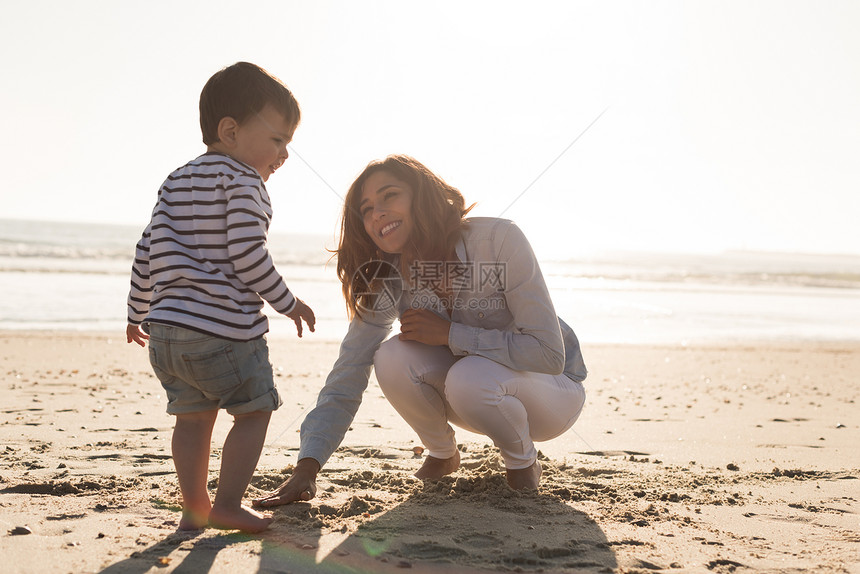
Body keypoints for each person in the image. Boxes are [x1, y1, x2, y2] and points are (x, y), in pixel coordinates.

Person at [255, 154, 586, 508]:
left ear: (421, 197)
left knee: (468, 375)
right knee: (391, 356)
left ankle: (522, 464)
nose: (377, 213)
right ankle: (443, 453)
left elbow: (549, 355)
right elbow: (348, 372)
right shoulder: (386, 276)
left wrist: (450, 334)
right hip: (476, 397)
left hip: (553, 394)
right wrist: (308, 467)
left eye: (389, 195)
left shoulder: (498, 239)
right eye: (366, 210)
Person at [125, 62, 315, 533]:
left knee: (191, 421)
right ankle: (228, 503)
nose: (284, 154)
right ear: (230, 131)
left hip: (166, 333)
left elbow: (146, 249)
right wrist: (288, 303)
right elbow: (248, 256)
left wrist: (137, 312)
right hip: (224, 331)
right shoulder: (245, 182)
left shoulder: (175, 180)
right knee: (254, 411)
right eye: (277, 140)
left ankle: (194, 507)